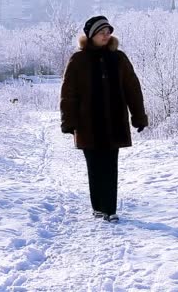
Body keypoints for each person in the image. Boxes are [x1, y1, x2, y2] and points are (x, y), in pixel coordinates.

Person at [60, 15, 148, 223]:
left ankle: (110, 208)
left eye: (108, 32)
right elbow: (68, 93)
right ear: (91, 36)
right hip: (87, 124)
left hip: (114, 122)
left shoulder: (119, 58)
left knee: (110, 165)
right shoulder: (78, 60)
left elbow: (133, 89)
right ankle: (98, 207)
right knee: (94, 166)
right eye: (102, 32)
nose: (106, 36)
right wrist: (69, 122)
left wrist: (139, 117)